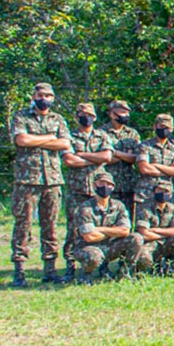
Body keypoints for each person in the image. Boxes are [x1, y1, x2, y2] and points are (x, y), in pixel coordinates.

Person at [9, 82, 71, 287]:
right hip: (27, 179)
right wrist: (48, 138)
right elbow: (21, 140)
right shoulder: (21, 116)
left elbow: (64, 143)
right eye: (41, 94)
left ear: (53, 98)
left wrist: (37, 139)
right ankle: (19, 271)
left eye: (49, 95)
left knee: (50, 225)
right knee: (23, 224)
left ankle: (50, 269)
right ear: (34, 96)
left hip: (52, 180)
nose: (44, 98)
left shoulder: (58, 119)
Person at [61, 101, 113, 284]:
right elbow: (69, 161)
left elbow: (107, 157)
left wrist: (82, 154)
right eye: (83, 114)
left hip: (99, 191)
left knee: (102, 228)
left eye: (90, 115)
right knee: (74, 230)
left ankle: (103, 265)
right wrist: (94, 158)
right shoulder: (69, 136)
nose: (87, 117)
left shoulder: (102, 135)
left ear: (95, 117)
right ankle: (70, 267)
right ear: (76, 117)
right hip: (77, 191)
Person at [73, 170, 143, 283]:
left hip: (111, 246)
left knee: (136, 238)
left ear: (113, 187)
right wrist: (114, 231)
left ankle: (126, 272)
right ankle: (86, 275)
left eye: (109, 184)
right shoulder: (85, 208)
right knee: (94, 256)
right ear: (95, 185)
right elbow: (89, 237)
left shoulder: (118, 206)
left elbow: (125, 231)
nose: (105, 186)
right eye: (101, 183)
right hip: (87, 247)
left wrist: (99, 229)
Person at [134, 178, 174, 275]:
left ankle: (171, 268)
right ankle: (148, 270)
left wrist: (155, 231)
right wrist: (166, 233)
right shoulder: (144, 208)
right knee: (143, 257)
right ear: (153, 192)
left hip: (166, 242)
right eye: (159, 190)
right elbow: (144, 234)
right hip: (150, 243)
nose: (162, 193)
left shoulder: (172, 208)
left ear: (170, 195)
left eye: (166, 191)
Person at [135, 113, 174, 206]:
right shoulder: (145, 145)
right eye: (161, 126)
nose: (165, 129)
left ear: (172, 129)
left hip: (166, 193)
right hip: (146, 193)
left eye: (168, 127)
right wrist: (168, 171)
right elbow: (144, 168)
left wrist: (156, 166)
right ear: (155, 126)